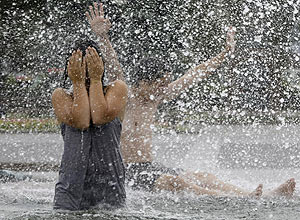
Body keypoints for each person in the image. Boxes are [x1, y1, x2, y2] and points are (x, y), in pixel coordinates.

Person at [86, 2, 296, 198]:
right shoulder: (126, 97)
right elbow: (114, 69)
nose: (163, 88)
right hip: (125, 171)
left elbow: (195, 74)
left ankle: (256, 195)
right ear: (143, 82)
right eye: (160, 83)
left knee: (204, 176)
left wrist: (224, 54)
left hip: (149, 165)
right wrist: (103, 37)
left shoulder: (156, 98)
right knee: (179, 183)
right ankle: (238, 199)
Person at [51, 38, 128, 210]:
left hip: (110, 186)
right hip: (70, 190)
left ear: (99, 66)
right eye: (81, 68)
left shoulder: (117, 89)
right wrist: (78, 83)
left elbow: (99, 116)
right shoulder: (61, 96)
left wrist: (95, 80)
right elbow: (82, 121)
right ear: (71, 68)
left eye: (90, 67)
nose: (85, 74)